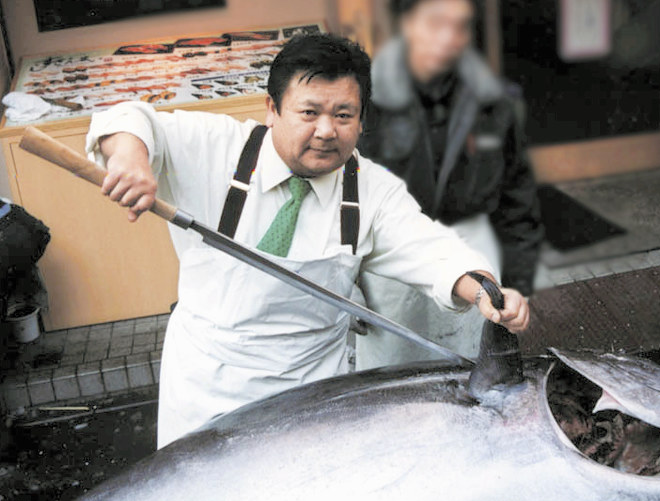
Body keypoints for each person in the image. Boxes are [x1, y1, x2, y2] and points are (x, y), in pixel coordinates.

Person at [86, 33, 530, 448]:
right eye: (309, 112)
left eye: (343, 115)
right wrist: (129, 157)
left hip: (313, 393)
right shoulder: (216, 146)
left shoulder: (371, 190)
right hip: (206, 385)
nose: (326, 130)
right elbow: (126, 117)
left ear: (360, 121)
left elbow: (431, 251)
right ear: (272, 109)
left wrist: (486, 292)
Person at [356, 0, 541, 370]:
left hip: (471, 248)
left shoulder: (493, 102)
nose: (449, 38)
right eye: (436, 23)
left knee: (468, 373)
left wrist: (518, 284)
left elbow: (517, 197)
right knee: (391, 377)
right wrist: (348, 284)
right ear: (406, 23)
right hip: (390, 258)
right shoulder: (363, 99)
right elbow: (337, 196)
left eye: (460, 26)